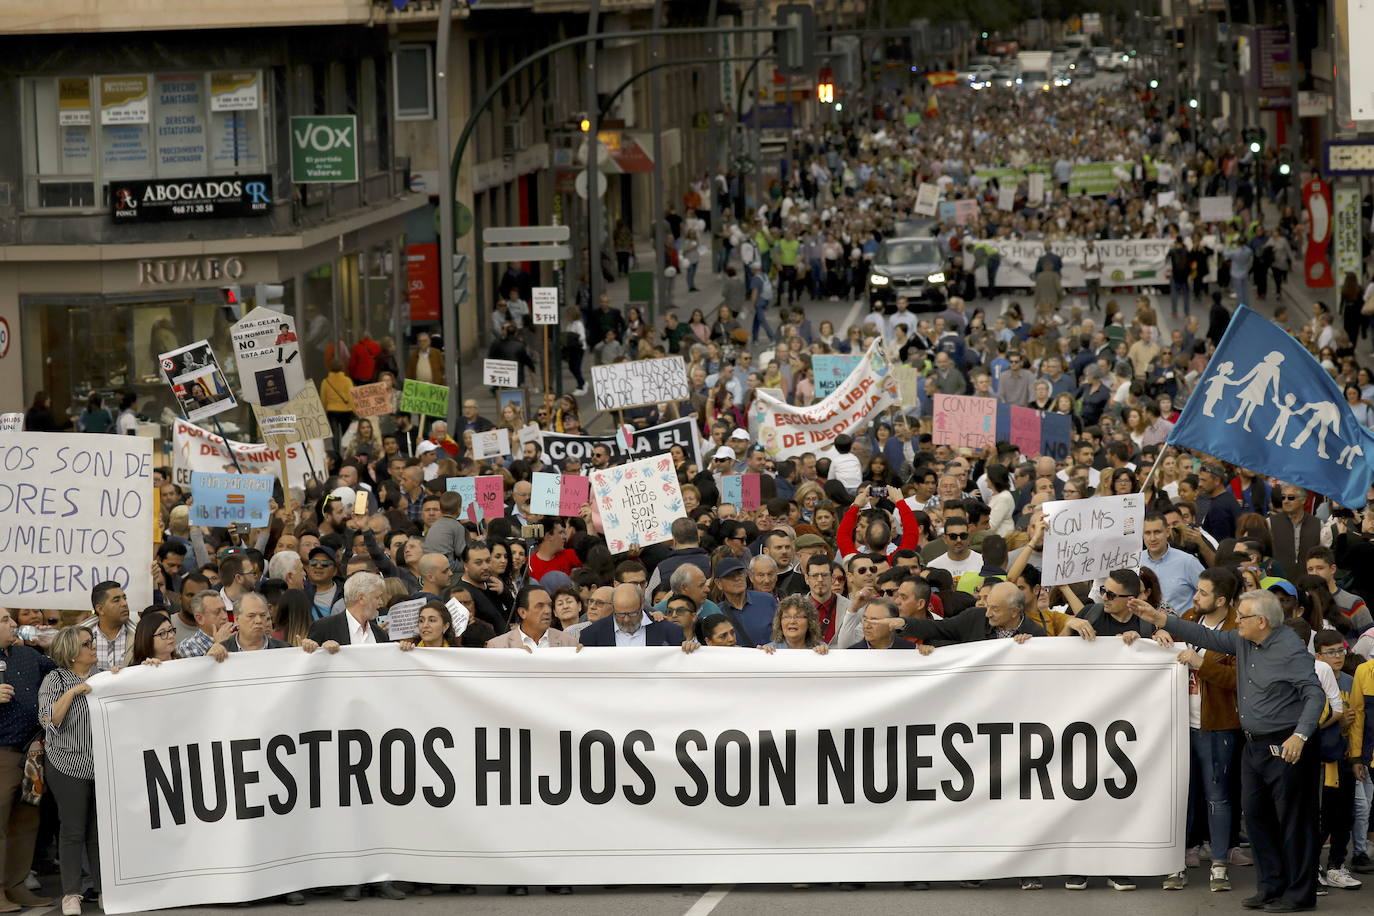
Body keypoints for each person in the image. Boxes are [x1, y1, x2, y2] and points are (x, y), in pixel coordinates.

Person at [1131, 590, 1324, 912]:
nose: (1237, 621)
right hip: (1254, 744)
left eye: (1243, 616)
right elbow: (1203, 635)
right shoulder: (1245, 641)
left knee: (1293, 822)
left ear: (1261, 621)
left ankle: (1299, 894)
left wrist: (1300, 736)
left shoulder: (1290, 649)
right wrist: (1158, 619)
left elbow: (1314, 695)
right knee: (1258, 818)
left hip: (1287, 743)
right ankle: (1270, 887)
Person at [37, 628, 98, 916]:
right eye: (88, 644)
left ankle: (103, 888)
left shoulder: (103, 676)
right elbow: (50, 718)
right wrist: (73, 691)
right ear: (73, 652)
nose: (94, 646)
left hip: (102, 765)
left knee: (100, 832)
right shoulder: (55, 679)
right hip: (67, 765)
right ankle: (71, 893)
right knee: (73, 830)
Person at [578, 584, 685, 647]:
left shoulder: (670, 632)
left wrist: (691, 649)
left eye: (633, 613)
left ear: (642, 604)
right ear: (613, 607)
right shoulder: (591, 635)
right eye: (620, 614)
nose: (626, 619)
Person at [306, 573, 391, 647]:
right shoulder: (324, 628)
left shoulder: (381, 634)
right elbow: (310, 660)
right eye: (377, 597)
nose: (381, 603)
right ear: (361, 598)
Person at [486, 586, 580, 649]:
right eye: (540, 606)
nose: (547, 611)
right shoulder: (498, 646)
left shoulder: (569, 643)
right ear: (523, 612)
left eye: (549, 605)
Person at [79, 582, 135, 674]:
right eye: (116, 600)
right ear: (100, 609)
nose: (124, 603)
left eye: (124, 598)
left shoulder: (139, 637)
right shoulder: (80, 640)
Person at [761, 595, 830, 654]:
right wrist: (761, 654)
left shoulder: (821, 648)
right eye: (787, 617)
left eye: (798, 616)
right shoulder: (769, 649)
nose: (792, 621)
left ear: (810, 622)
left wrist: (824, 655)